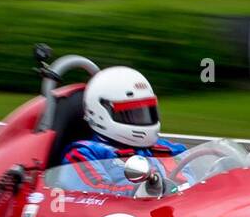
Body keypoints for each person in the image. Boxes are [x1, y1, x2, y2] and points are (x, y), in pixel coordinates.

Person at [60, 66, 187, 194]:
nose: (142, 118)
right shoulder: (83, 154)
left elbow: (197, 174)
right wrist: (143, 190)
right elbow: (95, 193)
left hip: (182, 209)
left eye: (146, 111)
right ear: (100, 112)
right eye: (132, 113)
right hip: (128, 211)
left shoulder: (167, 148)